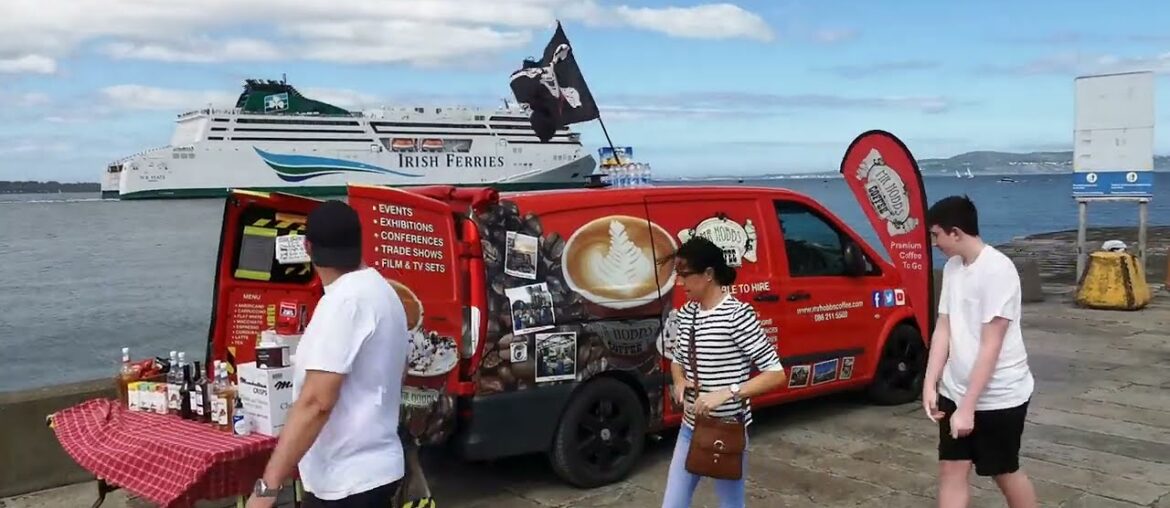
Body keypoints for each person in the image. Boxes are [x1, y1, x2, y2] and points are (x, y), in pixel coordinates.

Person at [246, 200, 410, 508]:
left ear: (308, 248)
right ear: (360, 242)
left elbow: (317, 402)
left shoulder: (344, 301)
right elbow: (400, 369)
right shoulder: (384, 292)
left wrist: (266, 489)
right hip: (376, 471)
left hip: (347, 482)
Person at [923, 195, 1037, 508]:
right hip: (955, 390)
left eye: (936, 235)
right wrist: (930, 384)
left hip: (1000, 396)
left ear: (956, 232)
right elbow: (943, 328)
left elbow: (992, 344)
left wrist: (968, 407)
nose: (934, 243)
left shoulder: (998, 270)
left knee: (1003, 471)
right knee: (951, 468)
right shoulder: (952, 269)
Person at [661, 236, 787, 508]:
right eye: (676, 275)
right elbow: (677, 360)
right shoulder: (687, 314)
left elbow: (776, 373)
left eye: (684, 275)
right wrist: (679, 380)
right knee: (672, 504)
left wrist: (727, 393)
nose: (679, 283)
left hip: (726, 431)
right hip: (690, 429)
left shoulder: (737, 316)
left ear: (708, 274)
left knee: (731, 505)